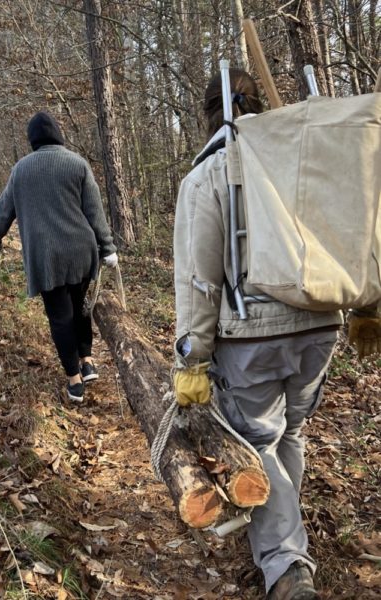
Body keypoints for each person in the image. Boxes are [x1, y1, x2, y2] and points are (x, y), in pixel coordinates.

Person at [172, 69, 381, 600]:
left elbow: (199, 279)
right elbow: (359, 230)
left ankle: (287, 566)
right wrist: (368, 308)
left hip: (250, 336)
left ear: (208, 114)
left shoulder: (209, 175)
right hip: (321, 325)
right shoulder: (306, 164)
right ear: (259, 105)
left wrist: (192, 357)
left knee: (258, 441)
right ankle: (284, 535)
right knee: (291, 433)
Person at [0, 111, 118, 403]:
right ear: (58, 133)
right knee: (81, 308)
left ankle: (74, 380)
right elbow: (94, 211)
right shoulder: (77, 163)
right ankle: (87, 360)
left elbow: (3, 210)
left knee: (60, 318)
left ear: (32, 140)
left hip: (46, 258)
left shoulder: (20, 170)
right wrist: (107, 248)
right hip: (82, 252)